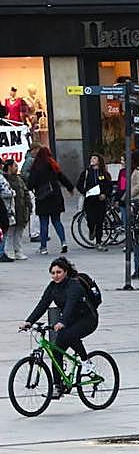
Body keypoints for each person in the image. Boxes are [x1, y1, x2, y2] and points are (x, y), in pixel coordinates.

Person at [21, 256, 99, 396]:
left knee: (68, 335)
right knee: (56, 351)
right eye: (53, 273)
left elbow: (70, 306)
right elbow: (43, 304)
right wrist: (29, 321)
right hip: (70, 320)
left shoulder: (74, 285)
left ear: (66, 272)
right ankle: (58, 387)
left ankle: (86, 362)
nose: (55, 276)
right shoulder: (52, 287)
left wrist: (62, 322)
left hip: (87, 319)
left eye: (58, 272)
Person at [28, 145, 75, 255]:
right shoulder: (53, 164)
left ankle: (43, 247)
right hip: (55, 196)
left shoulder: (36, 166)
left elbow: (31, 183)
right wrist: (70, 188)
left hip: (42, 197)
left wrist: (32, 188)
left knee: (44, 223)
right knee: (57, 221)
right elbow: (62, 177)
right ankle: (63, 242)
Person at [76, 154, 112, 251]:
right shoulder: (86, 173)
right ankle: (92, 229)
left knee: (100, 221)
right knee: (91, 219)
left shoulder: (104, 173)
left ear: (99, 161)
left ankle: (99, 242)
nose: (92, 160)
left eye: (95, 158)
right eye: (91, 158)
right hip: (89, 200)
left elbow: (109, 185)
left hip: (100, 200)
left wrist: (105, 194)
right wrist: (85, 192)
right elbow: (79, 185)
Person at [2, 158, 30, 260]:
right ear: (9, 167)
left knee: (19, 231)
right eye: (15, 166)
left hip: (21, 208)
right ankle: (9, 251)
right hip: (10, 208)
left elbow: (26, 191)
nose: (16, 168)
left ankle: (18, 251)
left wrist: (29, 205)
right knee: (10, 232)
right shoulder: (4, 179)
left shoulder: (19, 179)